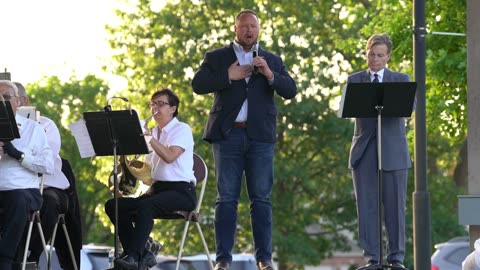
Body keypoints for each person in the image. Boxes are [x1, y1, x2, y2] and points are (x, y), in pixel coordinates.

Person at [192, 9, 297, 270]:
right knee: (226, 197)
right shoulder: (217, 57)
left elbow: (291, 90)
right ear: (235, 29)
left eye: (253, 26)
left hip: (260, 137)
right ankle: (223, 261)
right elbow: (198, 84)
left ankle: (264, 259)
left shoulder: (271, 58)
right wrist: (229, 76)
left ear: (258, 30)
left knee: (261, 198)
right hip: (228, 135)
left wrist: (270, 75)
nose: (249, 30)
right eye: (244, 26)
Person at [105, 88, 197, 270]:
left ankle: (133, 256)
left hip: (182, 191)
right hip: (157, 190)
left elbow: (170, 157)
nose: (155, 108)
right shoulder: (153, 133)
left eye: (160, 104)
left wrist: (148, 138)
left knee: (145, 206)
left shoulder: (182, 129)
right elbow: (148, 176)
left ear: (173, 108)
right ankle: (141, 253)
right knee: (113, 205)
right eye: (152, 104)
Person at [347, 33, 411, 269]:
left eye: (380, 55)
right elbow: (349, 108)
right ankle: (372, 258)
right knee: (366, 207)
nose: (375, 59)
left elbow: (408, 108)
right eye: (371, 54)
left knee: (395, 208)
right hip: (364, 152)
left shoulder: (401, 79)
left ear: (388, 57)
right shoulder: (355, 80)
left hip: (394, 152)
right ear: (366, 54)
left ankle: (396, 259)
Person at [14, 82, 82, 269]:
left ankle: (31, 255)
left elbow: (45, 161)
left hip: (49, 187)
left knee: (49, 202)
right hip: (14, 187)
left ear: (24, 101)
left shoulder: (44, 125)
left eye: (10, 98)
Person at [0, 80, 54, 270]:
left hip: (24, 191)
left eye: (6, 97)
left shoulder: (34, 129)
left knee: (17, 199)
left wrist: (18, 155)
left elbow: (48, 165)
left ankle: (4, 261)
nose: (2, 102)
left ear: (18, 102)